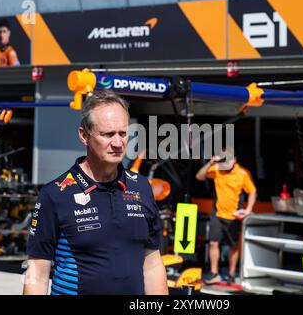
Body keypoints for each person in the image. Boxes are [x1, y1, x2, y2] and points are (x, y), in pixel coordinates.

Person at [23, 90, 168, 295]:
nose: (118, 143)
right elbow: (37, 272)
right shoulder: (55, 194)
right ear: (84, 135)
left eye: (123, 133)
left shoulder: (142, 188)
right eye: (108, 134)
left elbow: (152, 264)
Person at [196, 149, 257, 285]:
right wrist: (210, 163)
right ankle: (214, 272)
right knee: (213, 242)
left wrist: (248, 209)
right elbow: (199, 176)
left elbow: (252, 191)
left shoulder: (242, 173)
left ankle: (230, 273)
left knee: (233, 246)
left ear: (234, 160)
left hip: (234, 216)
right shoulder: (217, 169)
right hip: (217, 213)